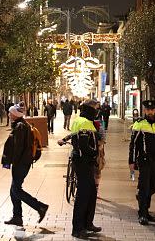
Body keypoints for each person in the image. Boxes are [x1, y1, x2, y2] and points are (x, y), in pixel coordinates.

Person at [2, 104, 48, 226]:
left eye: (10, 113)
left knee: (16, 190)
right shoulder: (22, 125)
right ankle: (17, 217)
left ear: (15, 114)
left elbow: (17, 148)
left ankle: (39, 207)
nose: (8, 114)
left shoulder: (20, 127)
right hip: (23, 162)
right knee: (13, 190)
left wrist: (11, 162)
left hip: (21, 163)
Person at [63, 100, 100, 238]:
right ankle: (78, 229)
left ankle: (87, 224)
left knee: (91, 193)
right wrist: (95, 153)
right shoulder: (84, 122)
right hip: (83, 161)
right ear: (90, 109)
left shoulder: (83, 120)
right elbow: (84, 146)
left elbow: (73, 136)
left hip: (85, 162)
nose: (97, 111)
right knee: (83, 195)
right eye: (96, 108)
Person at [129, 100, 155, 225]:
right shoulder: (139, 124)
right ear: (145, 111)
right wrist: (131, 160)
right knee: (144, 187)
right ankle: (143, 213)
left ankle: (145, 207)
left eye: (152, 110)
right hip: (144, 160)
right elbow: (133, 145)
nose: (150, 112)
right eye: (148, 110)